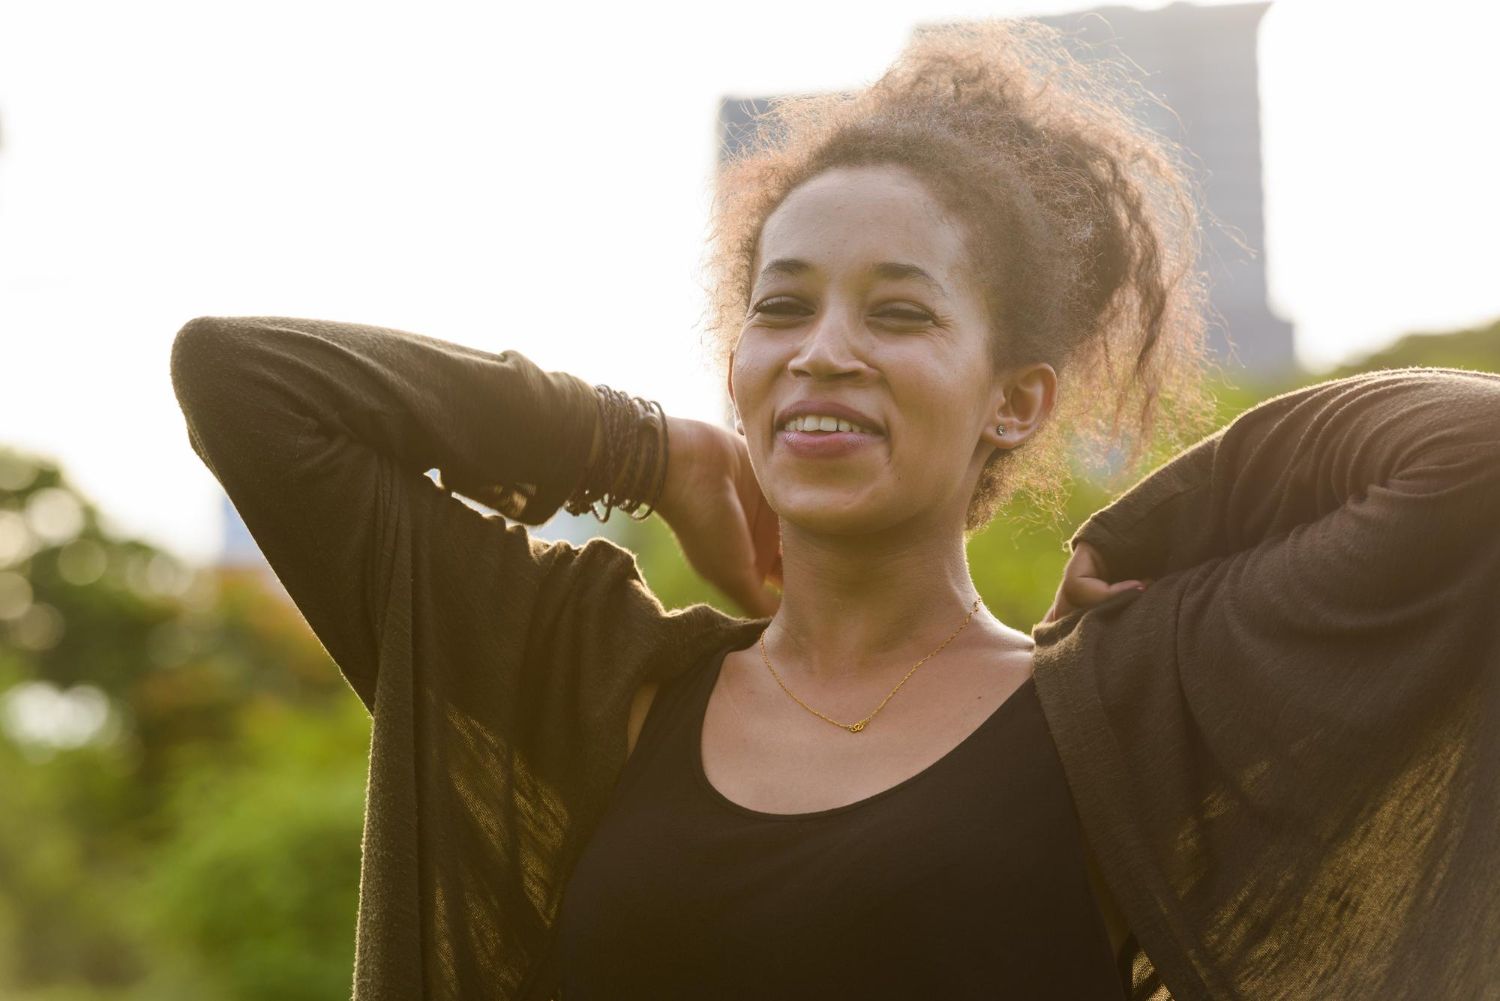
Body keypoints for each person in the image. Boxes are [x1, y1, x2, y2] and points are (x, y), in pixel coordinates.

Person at [168, 18, 1500, 1001]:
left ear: (1017, 401)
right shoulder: (591, 686)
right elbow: (246, 381)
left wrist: (1146, 532)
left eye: (901, 311)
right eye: (783, 305)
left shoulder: (1118, 707)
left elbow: (1470, 458)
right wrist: (645, 449)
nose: (823, 349)